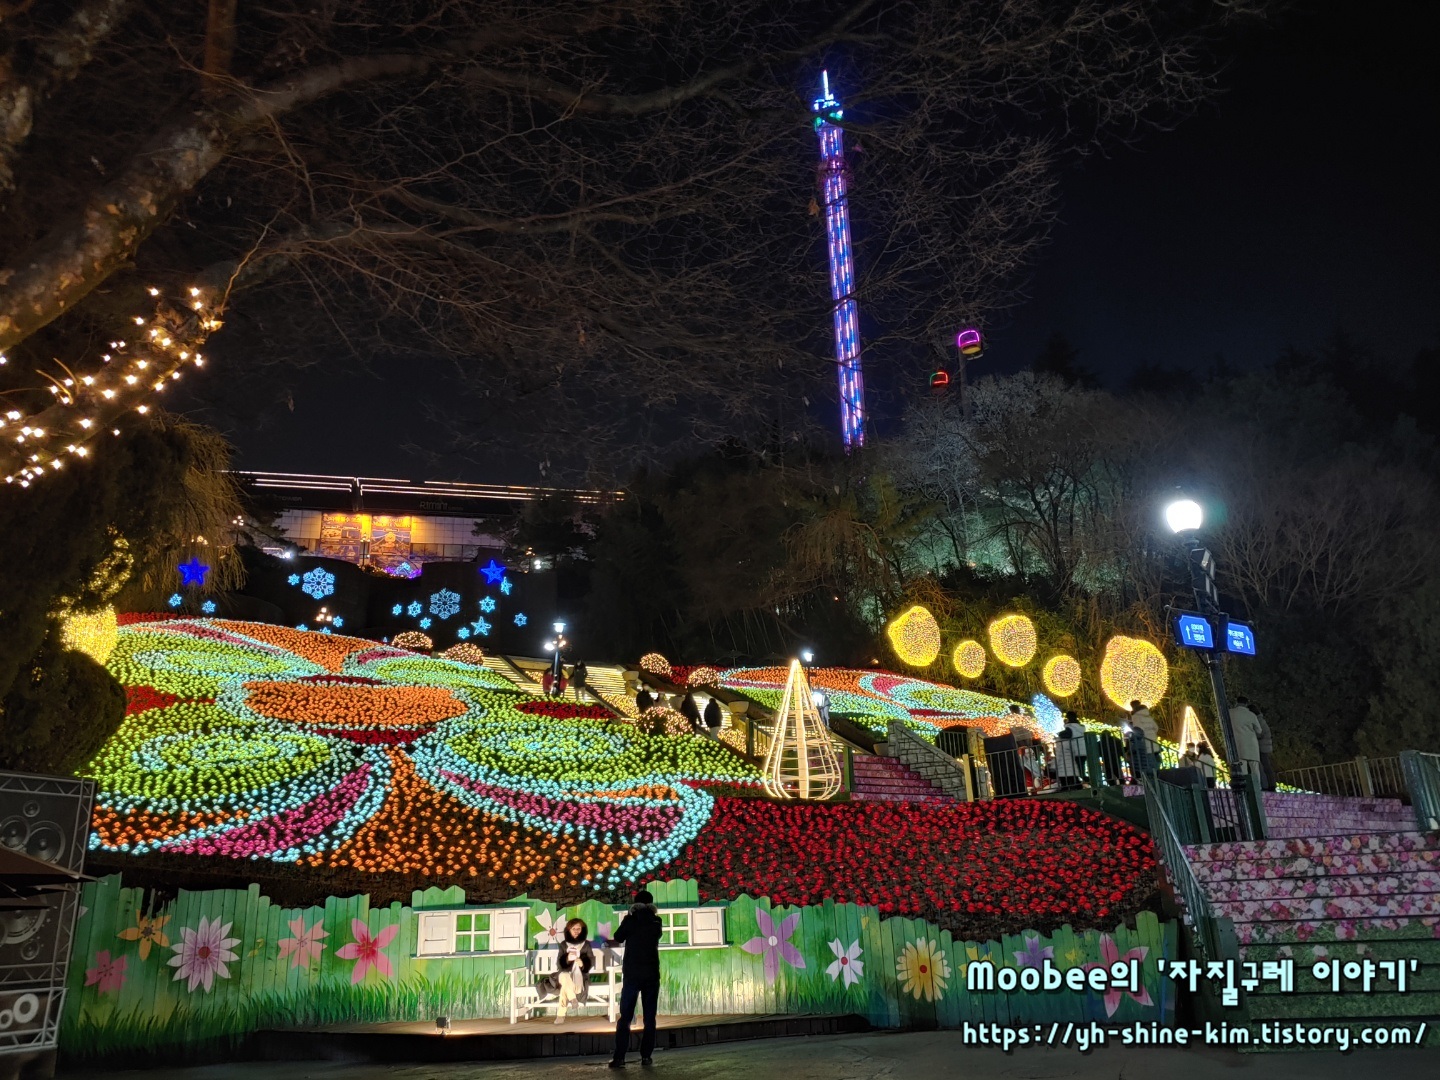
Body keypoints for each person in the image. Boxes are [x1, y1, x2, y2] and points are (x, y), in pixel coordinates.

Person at [608, 888, 663, 1068]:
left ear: (635, 904)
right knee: (650, 1017)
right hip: (651, 974)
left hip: (632, 974)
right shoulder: (657, 921)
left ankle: (620, 1057)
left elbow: (618, 937)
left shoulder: (630, 920)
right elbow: (656, 936)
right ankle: (646, 1056)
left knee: (625, 1016)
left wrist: (630, 916)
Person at [539, 918, 594, 1025]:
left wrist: (583, 964)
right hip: (564, 975)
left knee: (565, 987)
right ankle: (573, 999)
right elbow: (559, 965)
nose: (577, 931)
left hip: (579, 977)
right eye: (574, 928)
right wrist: (567, 958)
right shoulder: (564, 945)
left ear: (583, 930)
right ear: (569, 930)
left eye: (579, 928)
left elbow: (591, 961)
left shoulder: (586, 944)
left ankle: (561, 1015)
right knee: (564, 975)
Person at [1228, 696, 1264, 784]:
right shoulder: (1251, 715)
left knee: (1242, 768)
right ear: (1246, 704)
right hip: (1252, 744)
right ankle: (1257, 787)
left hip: (1238, 744)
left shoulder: (1230, 713)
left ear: (1237, 702)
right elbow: (1259, 730)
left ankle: (1245, 787)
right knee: (1255, 769)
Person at [1127, 700, 1158, 778]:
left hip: (1145, 744)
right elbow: (1156, 728)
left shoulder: (1136, 717)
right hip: (1154, 743)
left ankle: (1151, 780)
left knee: (1148, 766)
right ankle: (1157, 778)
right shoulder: (1147, 715)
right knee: (1155, 764)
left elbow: (1138, 730)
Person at [1254, 703, 1276, 791]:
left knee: (1264, 766)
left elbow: (1260, 734)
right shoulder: (1261, 720)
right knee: (1267, 766)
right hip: (1265, 746)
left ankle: (1269, 785)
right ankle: (1271, 784)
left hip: (1261, 746)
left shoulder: (1258, 721)